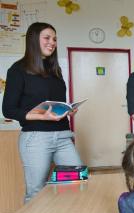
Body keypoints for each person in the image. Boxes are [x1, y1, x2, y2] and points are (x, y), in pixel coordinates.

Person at [2, 22, 83, 202]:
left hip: (62, 136)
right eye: (47, 38)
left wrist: (68, 110)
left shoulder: (55, 71)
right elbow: (8, 109)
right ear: (33, 40)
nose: (52, 42)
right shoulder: (17, 70)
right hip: (36, 138)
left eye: (54, 39)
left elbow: (55, 104)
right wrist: (40, 115)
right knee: (36, 191)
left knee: (76, 180)